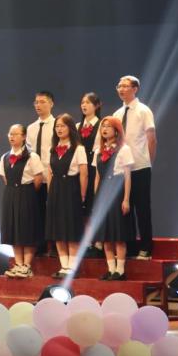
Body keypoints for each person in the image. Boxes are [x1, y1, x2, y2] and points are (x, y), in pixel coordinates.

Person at [112, 75, 157, 259]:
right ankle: (129, 247)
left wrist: (148, 162)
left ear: (135, 89)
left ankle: (146, 247)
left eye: (125, 86)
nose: (121, 89)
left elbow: (152, 139)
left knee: (142, 208)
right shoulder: (117, 114)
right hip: (122, 170)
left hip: (140, 166)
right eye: (119, 86)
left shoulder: (143, 110)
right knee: (125, 209)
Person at [44, 114, 89, 279]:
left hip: (71, 188)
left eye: (62, 126)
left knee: (71, 230)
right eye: (57, 126)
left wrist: (82, 194)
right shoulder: (52, 149)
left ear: (70, 128)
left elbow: (84, 174)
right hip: (56, 190)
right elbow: (49, 173)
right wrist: (50, 193)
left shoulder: (78, 148)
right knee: (58, 230)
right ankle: (64, 266)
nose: (59, 129)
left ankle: (72, 267)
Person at [0, 124, 44, 278]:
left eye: (15, 134)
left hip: (27, 193)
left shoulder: (32, 156)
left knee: (26, 228)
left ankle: (26, 266)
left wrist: (27, 192)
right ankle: (18, 264)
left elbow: (38, 178)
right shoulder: (4, 157)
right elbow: (4, 177)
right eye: (10, 134)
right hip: (10, 193)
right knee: (14, 229)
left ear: (24, 136)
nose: (12, 137)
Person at [92, 116, 134, 280]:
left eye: (108, 126)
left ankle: (120, 270)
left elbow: (127, 177)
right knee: (106, 236)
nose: (104, 129)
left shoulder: (124, 149)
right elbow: (97, 177)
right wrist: (96, 200)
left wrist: (126, 199)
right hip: (103, 194)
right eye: (103, 126)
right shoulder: (98, 151)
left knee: (118, 235)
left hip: (117, 192)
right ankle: (111, 269)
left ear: (116, 131)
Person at [26, 91, 57, 255]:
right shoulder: (31, 128)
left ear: (51, 104)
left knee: (53, 212)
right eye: (36, 102)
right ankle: (39, 246)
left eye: (42, 101)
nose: (38, 105)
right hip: (35, 178)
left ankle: (54, 247)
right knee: (36, 212)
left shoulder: (57, 125)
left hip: (52, 177)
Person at [78, 92, 102, 257]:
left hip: (94, 168)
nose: (84, 105)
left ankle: (98, 240)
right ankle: (86, 241)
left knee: (94, 203)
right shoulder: (77, 126)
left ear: (96, 106)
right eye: (82, 102)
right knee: (83, 205)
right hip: (80, 169)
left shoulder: (101, 125)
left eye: (88, 102)